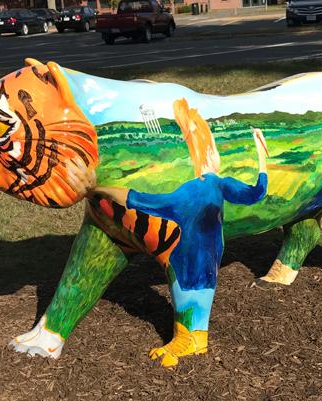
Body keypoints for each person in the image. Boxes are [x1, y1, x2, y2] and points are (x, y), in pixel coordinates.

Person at [95, 98, 269, 366]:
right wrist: (261, 157)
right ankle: (190, 339)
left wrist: (106, 190)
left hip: (185, 257)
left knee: (191, 291)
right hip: (203, 256)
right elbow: (257, 192)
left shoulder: (191, 189)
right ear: (209, 154)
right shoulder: (219, 185)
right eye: (213, 147)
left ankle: (191, 339)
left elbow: (144, 200)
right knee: (197, 292)